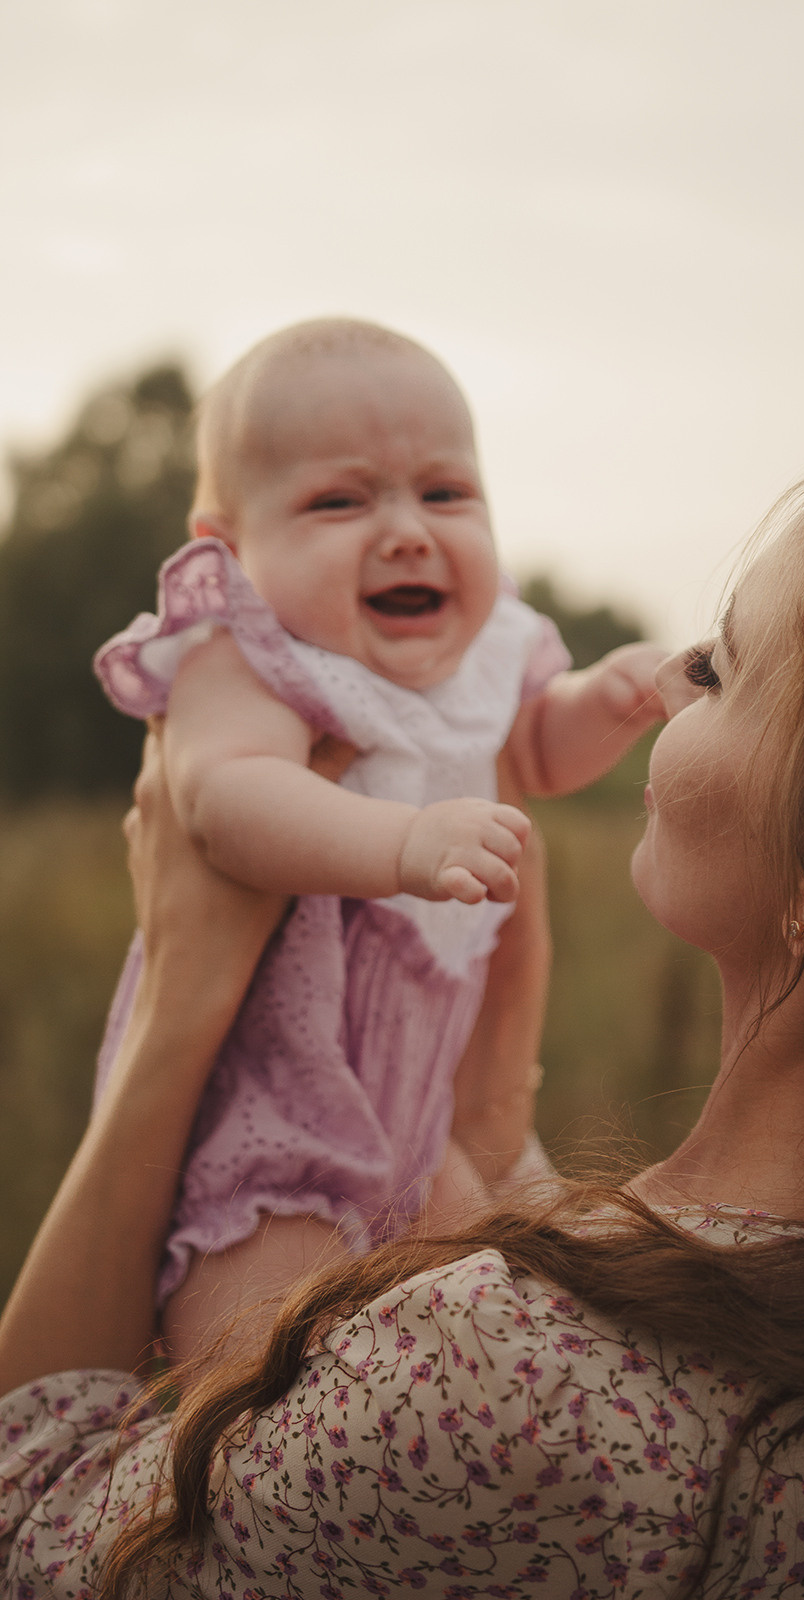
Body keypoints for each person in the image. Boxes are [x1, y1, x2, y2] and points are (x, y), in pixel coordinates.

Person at [4, 405, 804, 1597]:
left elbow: (32, 1542)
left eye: (719, 669)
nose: (665, 681)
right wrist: (496, 1136)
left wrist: (174, 1012)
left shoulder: (489, 1379)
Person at [91, 319, 666, 1362]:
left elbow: (536, 749)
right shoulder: (249, 654)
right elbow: (226, 798)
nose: (406, 531)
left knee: (508, 1326)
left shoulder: (484, 651)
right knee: (263, 1368)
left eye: (444, 493)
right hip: (276, 1130)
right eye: (339, 502)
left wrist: (607, 702)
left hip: (420, 1121)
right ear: (227, 545)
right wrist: (402, 840)